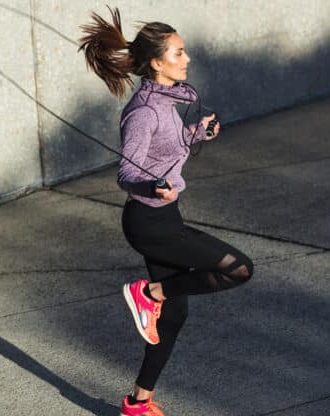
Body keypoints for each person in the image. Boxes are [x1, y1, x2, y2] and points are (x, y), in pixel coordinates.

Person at [79, 7, 255, 416]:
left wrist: (197, 134)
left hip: (164, 218)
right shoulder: (143, 112)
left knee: (173, 317)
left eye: (184, 50)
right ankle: (148, 293)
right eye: (178, 53)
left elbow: (166, 151)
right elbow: (127, 171)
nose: (187, 58)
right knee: (239, 268)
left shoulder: (167, 103)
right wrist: (150, 186)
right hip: (148, 223)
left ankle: (137, 404)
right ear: (157, 63)